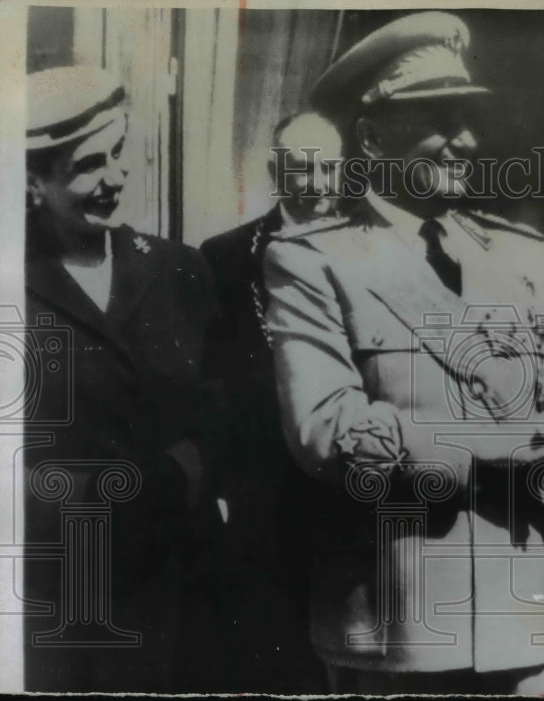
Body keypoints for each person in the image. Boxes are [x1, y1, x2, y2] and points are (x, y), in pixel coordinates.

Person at [264, 11, 544, 695]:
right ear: (370, 136)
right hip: (399, 631)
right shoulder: (313, 260)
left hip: (524, 622)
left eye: (468, 119)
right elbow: (327, 430)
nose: (466, 141)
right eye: (441, 120)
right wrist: (492, 448)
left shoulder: (522, 255)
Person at [23, 65, 221, 692]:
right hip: (57, 592)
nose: (115, 176)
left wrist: (186, 476)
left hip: (179, 582)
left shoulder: (180, 271)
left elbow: (223, 420)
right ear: (33, 181)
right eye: (87, 165)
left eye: (117, 152)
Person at [198, 111, 345, 692]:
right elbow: (210, 385)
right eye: (299, 169)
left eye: (327, 169)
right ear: (273, 170)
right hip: (263, 492)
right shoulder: (225, 258)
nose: (314, 185)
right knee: (271, 650)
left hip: (352, 483)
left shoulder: (376, 249)